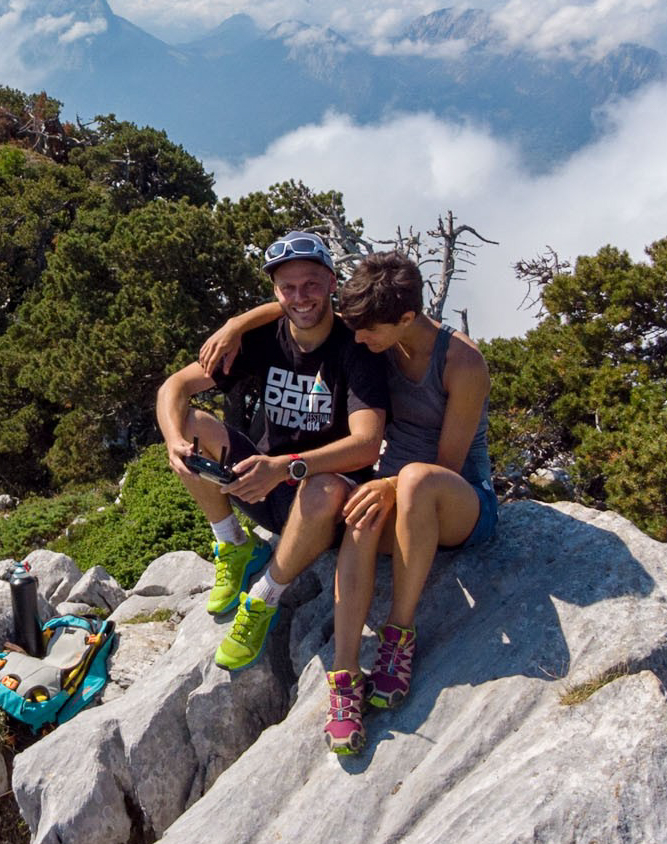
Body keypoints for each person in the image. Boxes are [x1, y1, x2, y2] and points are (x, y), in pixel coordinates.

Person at [202, 250, 497, 756]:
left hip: (456, 500)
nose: (358, 340)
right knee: (361, 518)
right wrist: (236, 325)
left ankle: (398, 636)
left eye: (368, 333)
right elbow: (298, 308)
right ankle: (344, 680)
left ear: (406, 317)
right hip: (394, 490)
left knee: (414, 482)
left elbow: (446, 466)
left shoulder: (461, 362)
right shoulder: (379, 332)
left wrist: (387, 485)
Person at [157, 231, 389, 673]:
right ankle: (233, 543)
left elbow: (366, 444)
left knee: (321, 489)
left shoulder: (355, 347)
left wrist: (286, 468)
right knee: (189, 425)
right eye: (288, 287)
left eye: (311, 284)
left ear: (332, 283)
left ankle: (264, 597)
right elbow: (175, 386)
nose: (300, 297)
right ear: (275, 291)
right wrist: (174, 441)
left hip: (325, 505)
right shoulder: (263, 337)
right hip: (263, 486)